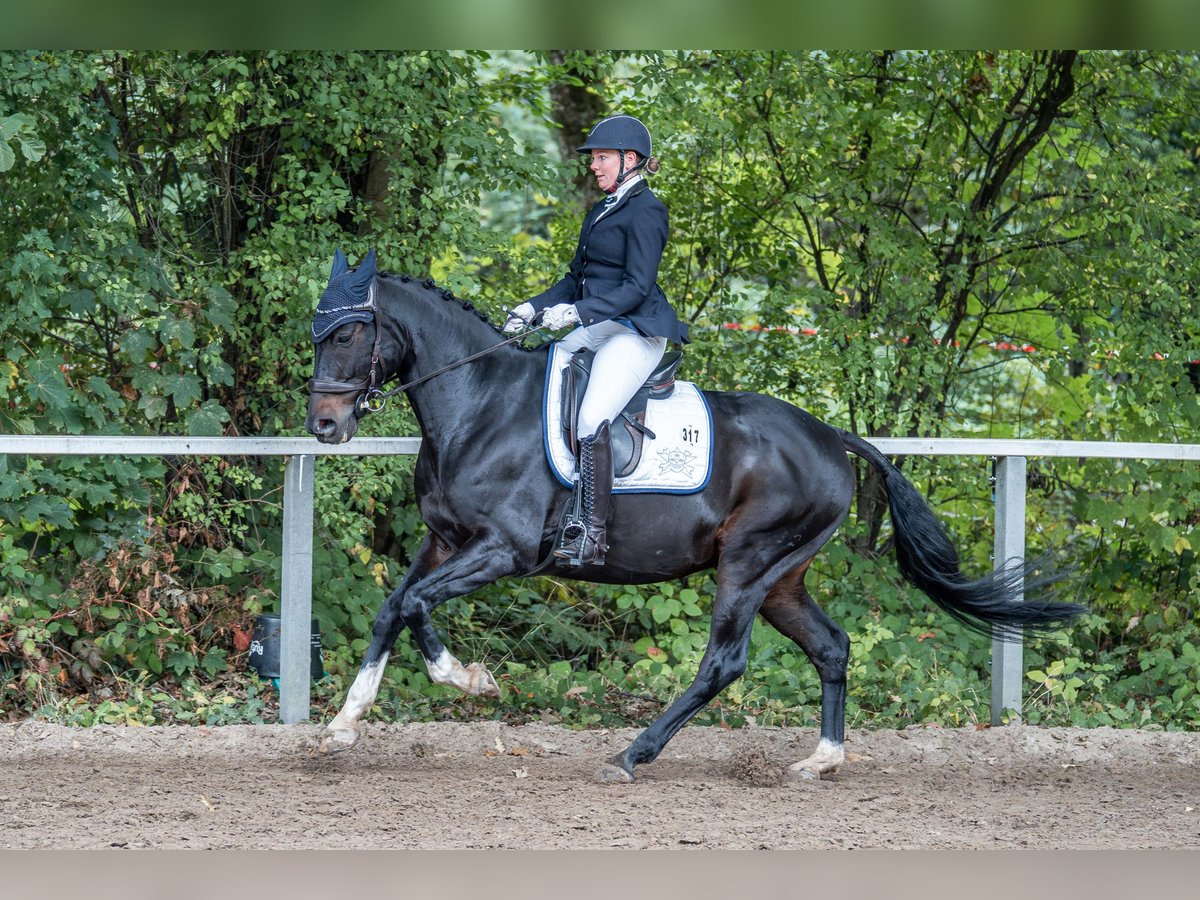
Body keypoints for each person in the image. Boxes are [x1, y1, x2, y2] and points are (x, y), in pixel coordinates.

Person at [505, 113, 689, 566]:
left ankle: (591, 532)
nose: (594, 166)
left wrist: (580, 312)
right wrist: (532, 306)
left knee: (591, 418)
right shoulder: (602, 209)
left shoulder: (648, 210)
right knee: (551, 362)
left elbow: (638, 285)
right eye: (595, 158)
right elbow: (576, 277)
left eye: (602, 158)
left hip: (637, 329)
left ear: (630, 160)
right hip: (605, 322)